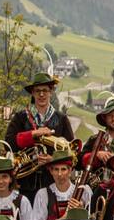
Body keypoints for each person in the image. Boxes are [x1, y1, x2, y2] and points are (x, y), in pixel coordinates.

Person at [5, 62, 75, 197]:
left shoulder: (61, 119)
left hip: (53, 183)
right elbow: (8, 143)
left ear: (51, 92)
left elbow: (71, 153)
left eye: (45, 90)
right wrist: (33, 134)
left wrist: (53, 160)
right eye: (37, 91)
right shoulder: (20, 117)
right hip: (25, 183)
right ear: (32, 93)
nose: (41, 94)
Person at [78, 94, 114, 184]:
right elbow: (78, 163)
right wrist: (96, 155)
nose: (113, 118)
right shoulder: (94, 140)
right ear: (105, 118)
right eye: (110, 115)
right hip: (97, 188)